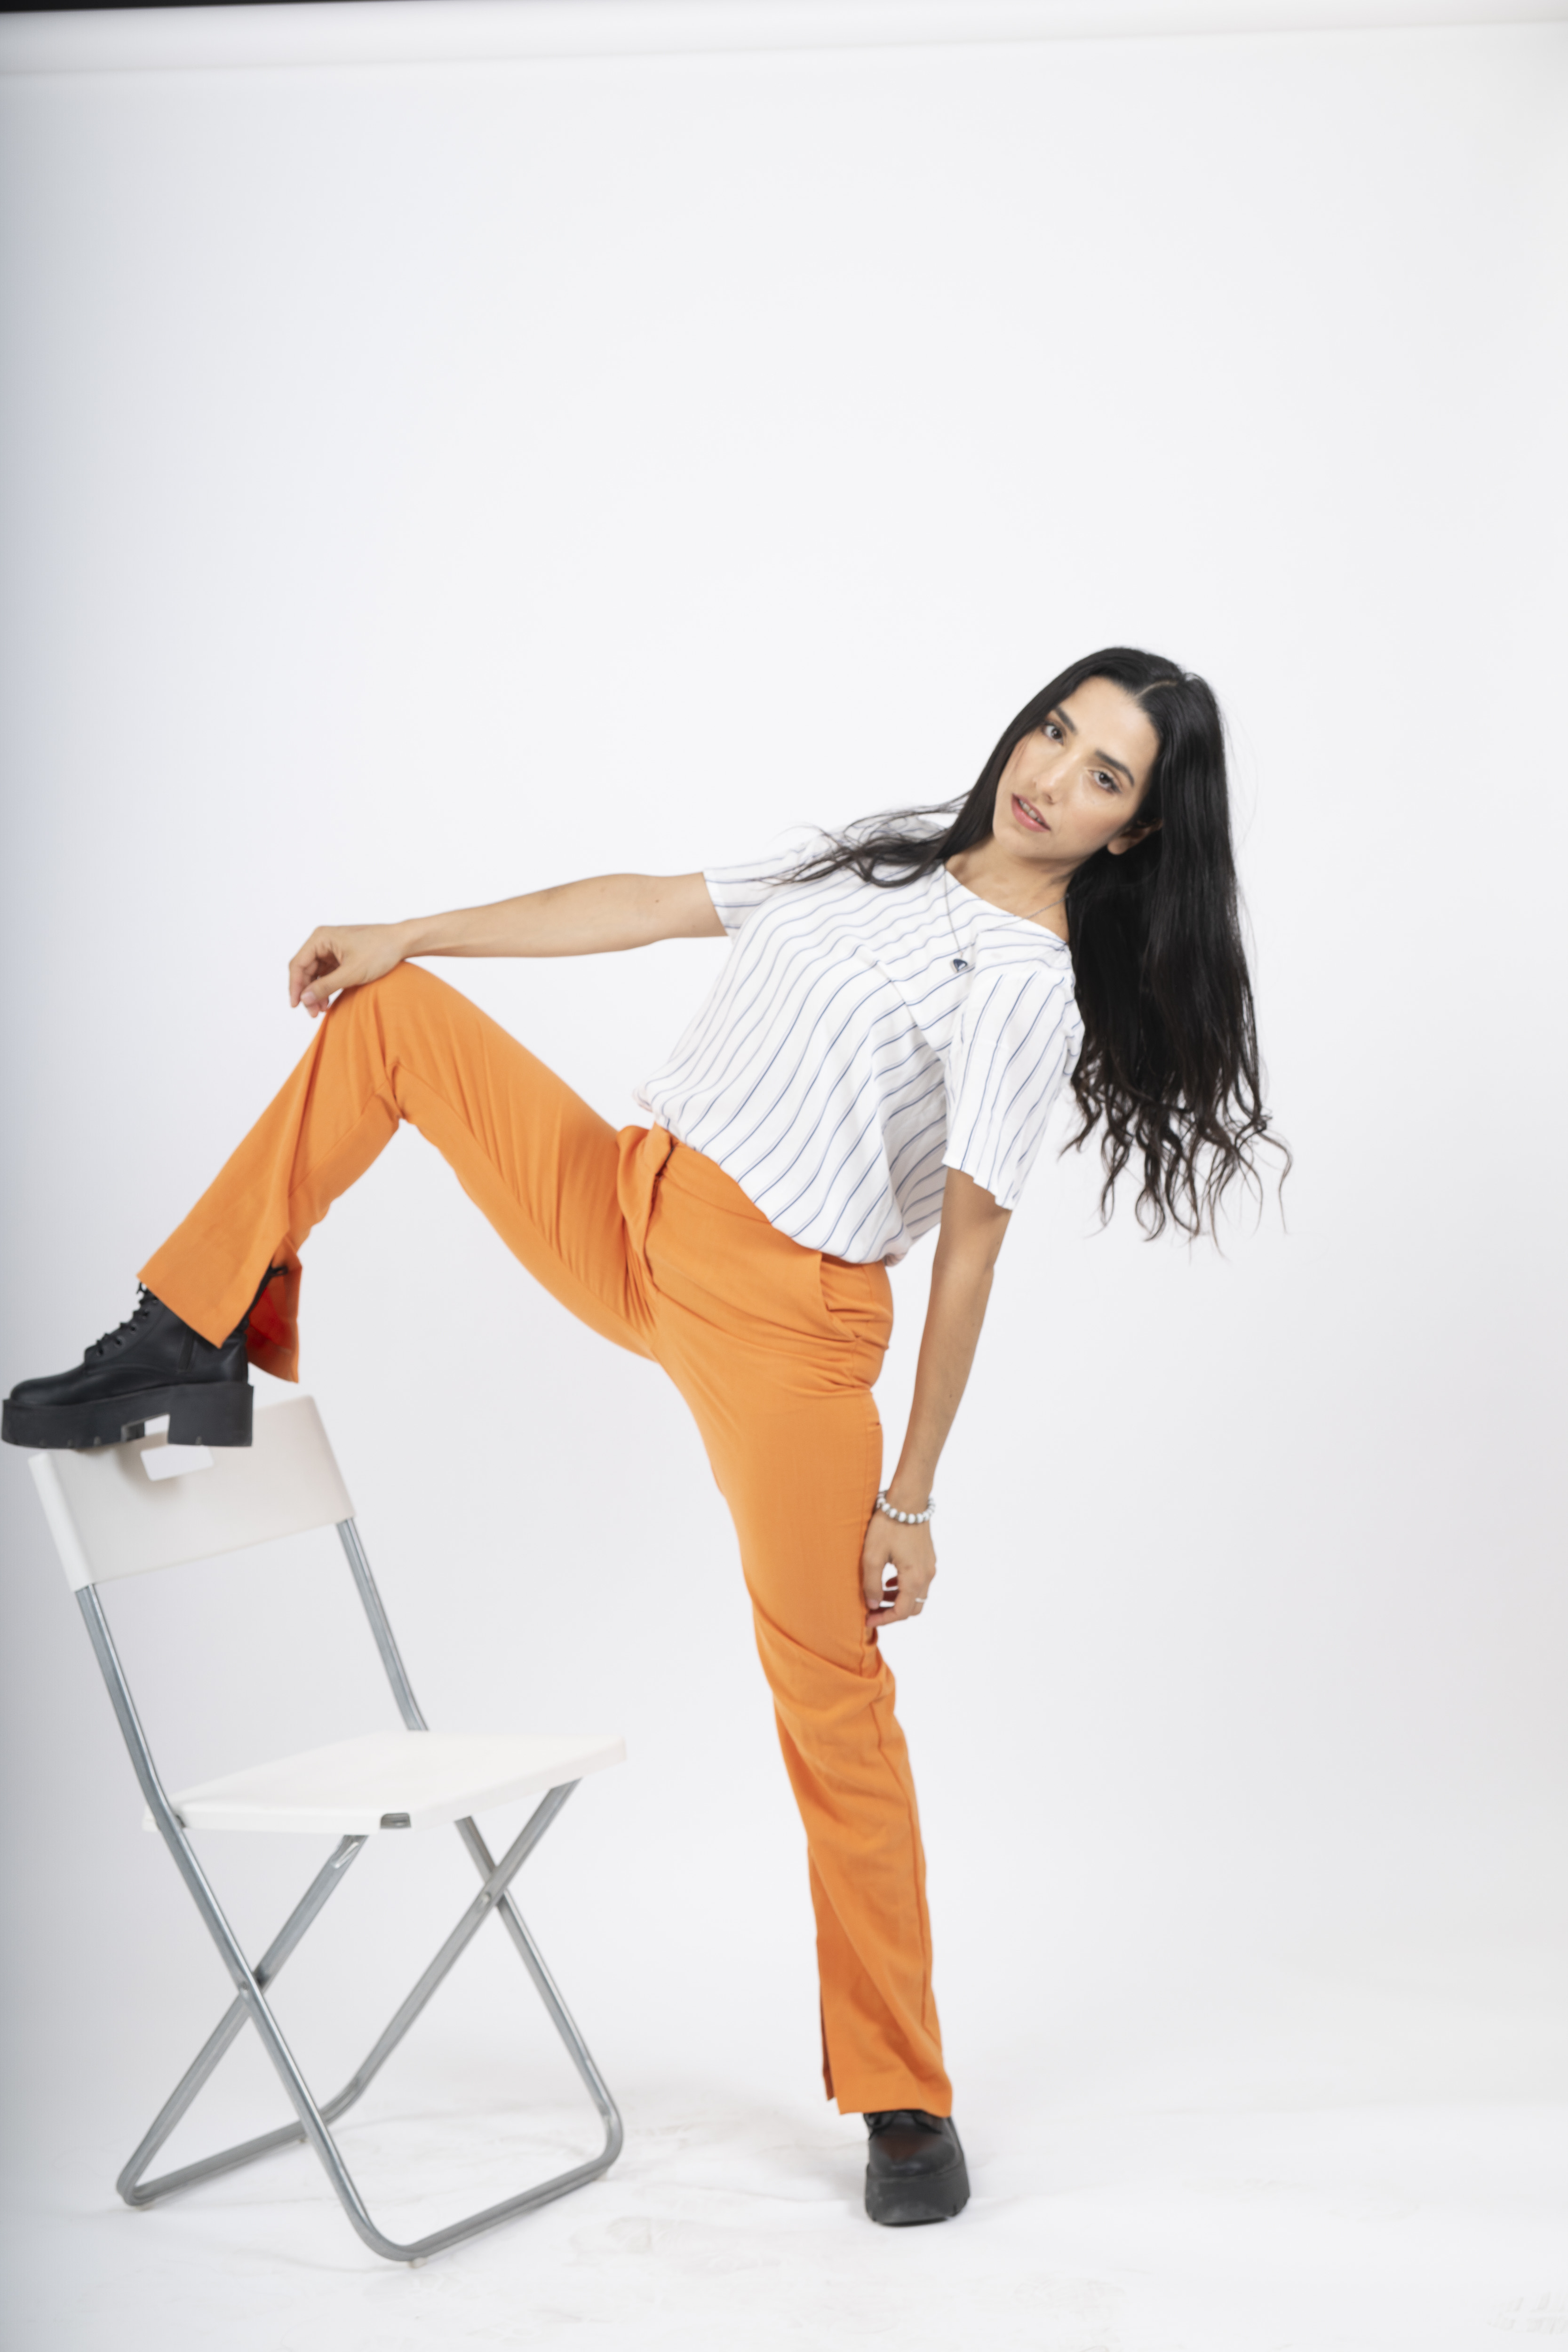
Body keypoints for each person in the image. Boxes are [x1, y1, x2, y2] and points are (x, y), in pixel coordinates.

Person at [3, 646, 1280, 2227]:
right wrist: (412, 928)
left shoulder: (1024, 988)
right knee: (393, 1016)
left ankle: (905, 2097)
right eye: (1056, 729)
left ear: (1133, 832)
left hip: (787, 1325)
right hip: (631, 1203)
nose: (1052, 775)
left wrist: (913, 1497)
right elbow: (643, 904)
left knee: (832, 1697)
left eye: (1104, 775)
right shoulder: (879, 858)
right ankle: (186, 1332)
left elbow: (970, 1253)